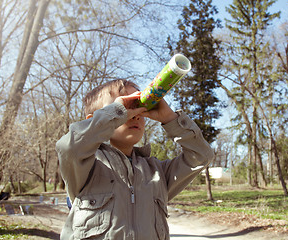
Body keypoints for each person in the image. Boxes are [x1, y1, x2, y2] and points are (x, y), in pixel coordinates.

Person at [56, 79, 214, 240]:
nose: (135, 115)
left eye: (138, 107)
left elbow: (202, 156)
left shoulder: (156, 172)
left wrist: (170, 119)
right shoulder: (86, 166)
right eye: (125, 107)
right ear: (93, 120)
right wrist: (116, 113)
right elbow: (68, 148)